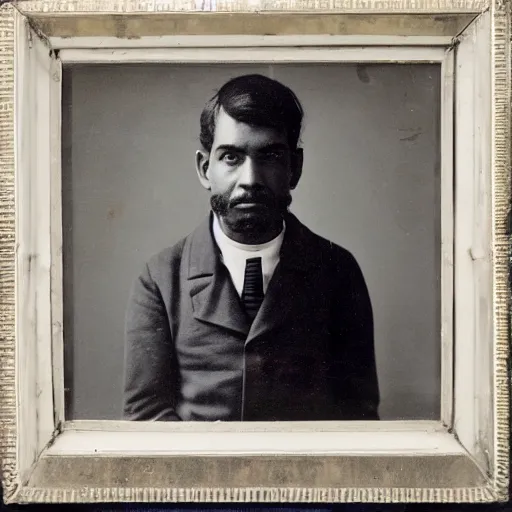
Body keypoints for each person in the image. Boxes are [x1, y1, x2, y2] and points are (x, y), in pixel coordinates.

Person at [123, 74, 379, 422]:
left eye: (270, 156)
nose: (251, 179)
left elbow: (358, 416)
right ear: (204, 168)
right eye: (231, 157)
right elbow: (146, 414)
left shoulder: (338, 271)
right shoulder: (160, 277)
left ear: (295, 168)